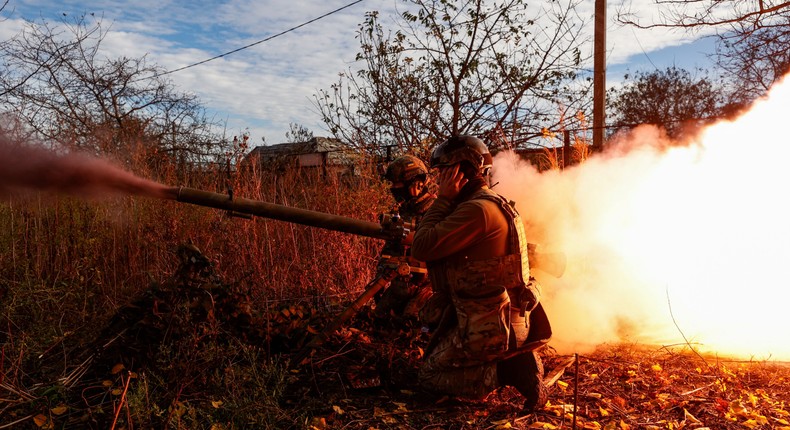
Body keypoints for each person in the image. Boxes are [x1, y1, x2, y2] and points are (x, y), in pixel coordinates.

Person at [410, 135, 551, 412]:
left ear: (459, 172)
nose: (438, 181)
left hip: (491, 328)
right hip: (504, 320)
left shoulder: (476, 211)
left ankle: (511, 370)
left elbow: (422, 246)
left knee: (429, 376)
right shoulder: (492, 203)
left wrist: (443, 200)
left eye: (442, 173)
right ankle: (509, 360)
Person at [372, 155, 436, 320]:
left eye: (397, 184)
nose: (394, 189)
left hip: (428, 288)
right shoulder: (402, 211)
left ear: (416, 184)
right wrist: (379, 278)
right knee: (378, 317)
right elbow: (390, 250)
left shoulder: (436, 212)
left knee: (411, 322)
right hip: (401, 284)